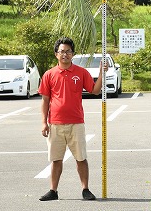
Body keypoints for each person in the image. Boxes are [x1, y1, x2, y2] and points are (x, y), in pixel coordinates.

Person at [38, 37, 109, 201]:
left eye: (68, 51)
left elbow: (95, 91)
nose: (65, 54)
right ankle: (53, 191)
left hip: (76, 123)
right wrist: (44, 122)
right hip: (55, 124)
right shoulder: (49, 75)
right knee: (56, 159)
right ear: (56, 54)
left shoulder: (81, 72)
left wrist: (101, 74)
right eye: (62, 51)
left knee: (81, 158)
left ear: (73, 54)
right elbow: (45, 101)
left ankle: (85, 189)